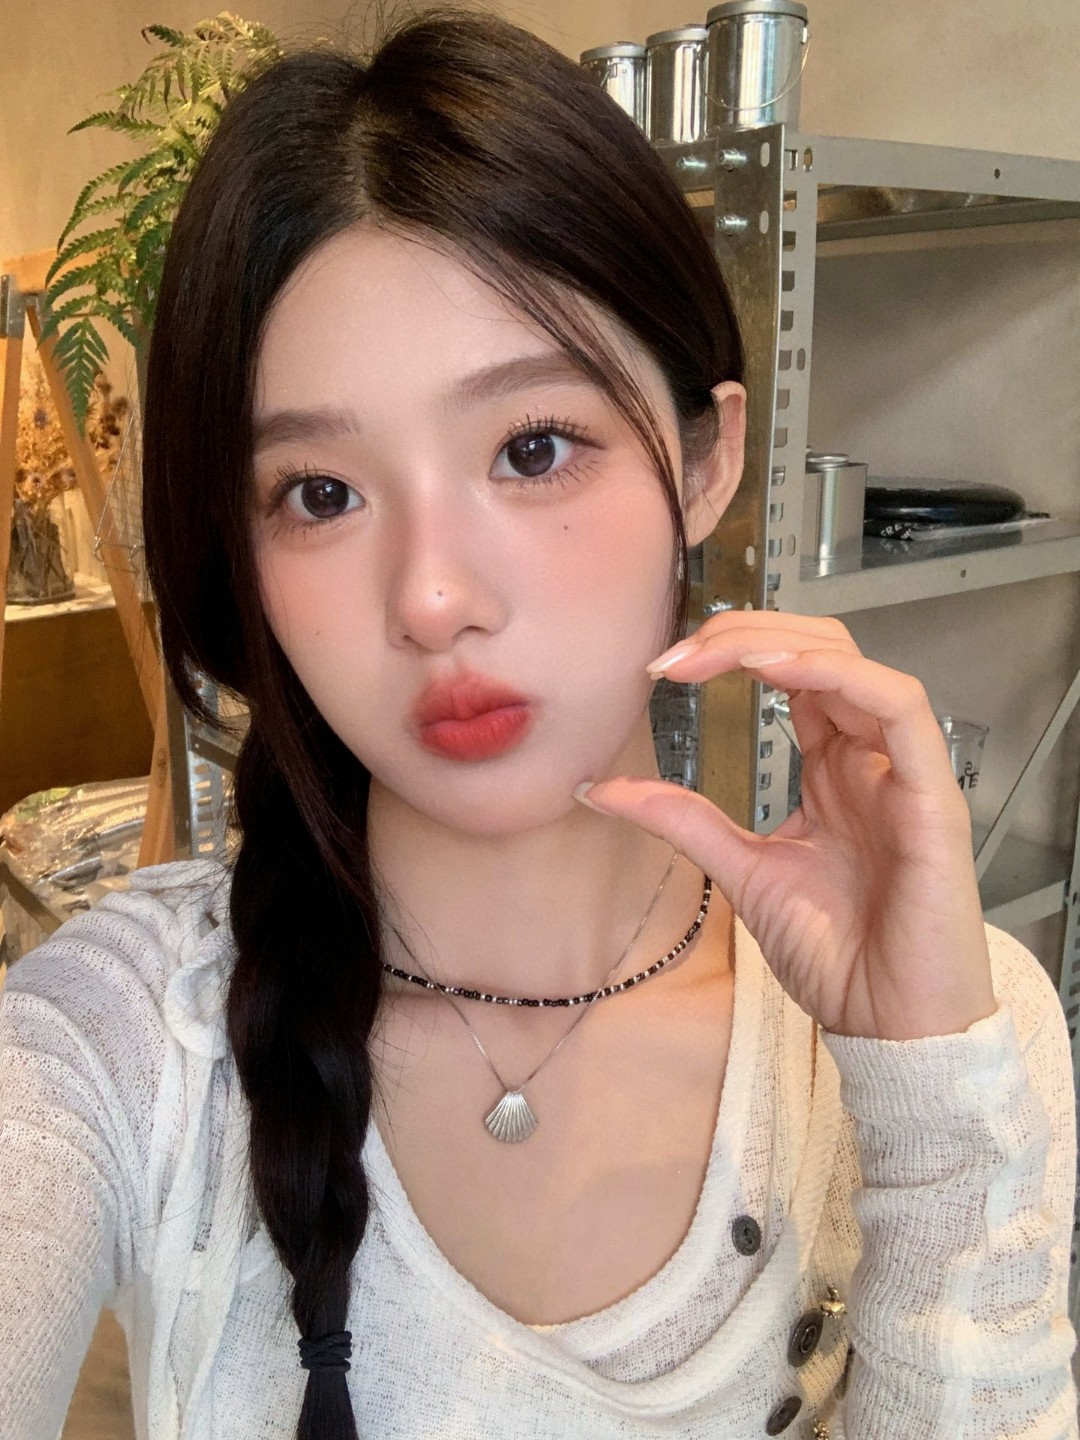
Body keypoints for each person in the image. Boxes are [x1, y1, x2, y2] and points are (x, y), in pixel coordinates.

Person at [0, 7, 1076, 1438]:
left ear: (705, 461)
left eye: (532, 448)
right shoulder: (133, 1041)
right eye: (321, 493)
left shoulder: (952, 1020)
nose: (433, 598)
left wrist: (929, 1093)